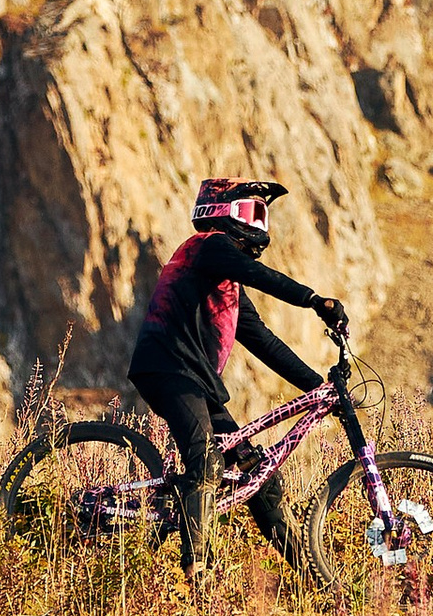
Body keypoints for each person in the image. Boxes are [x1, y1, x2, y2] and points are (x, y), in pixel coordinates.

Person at [129, 176, 349, 575]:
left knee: (260, 478)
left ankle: (313, 580)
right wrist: (315, 300)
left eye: (262, 215)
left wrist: (321, 387)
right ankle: (197, 567)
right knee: (205, 461)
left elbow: (264, 341)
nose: (259, 225)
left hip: (198, 383)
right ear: (219, 213)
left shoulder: (225, 284)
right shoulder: (208, 247)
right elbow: (260, 275)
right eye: (251, 212)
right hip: (168, 369)